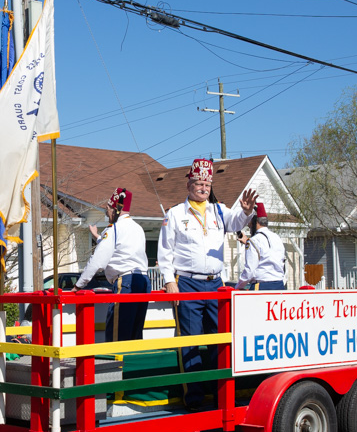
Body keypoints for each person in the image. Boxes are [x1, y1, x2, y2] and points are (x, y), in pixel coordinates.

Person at [158, 159, 257, 410]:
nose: (203, 188)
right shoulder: (175, 214)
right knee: (189, 342)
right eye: (199, 183)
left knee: (220, 340)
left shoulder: (219, 210)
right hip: (187, 283)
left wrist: (246, 212)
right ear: (189, 184)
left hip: (216, 284)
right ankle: (194, 398)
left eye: (207, 184)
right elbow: (165, 251)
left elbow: (236, 223)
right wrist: (169, 280)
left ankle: (222, 394)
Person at [76, 187, 150, 342]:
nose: (107, 212)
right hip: (143, 281)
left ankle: (116, 359)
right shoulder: (137, 228)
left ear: (116, 208)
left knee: (117, 335)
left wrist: (78, 285)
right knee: (134, 334)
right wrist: (98, 237)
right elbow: (120, 248)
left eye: (108, 208)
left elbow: (98, 261)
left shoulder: (113, 229)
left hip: (125, 282)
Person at [234, 202, 286, 291]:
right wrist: (248, 242)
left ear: (256, 222)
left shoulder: (254, 241)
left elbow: (249, 270)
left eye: (250, 221)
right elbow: (268, 253)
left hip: (262, 286)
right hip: (279, 285)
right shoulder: (277, 238)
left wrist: (239, 286)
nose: (249, 225)